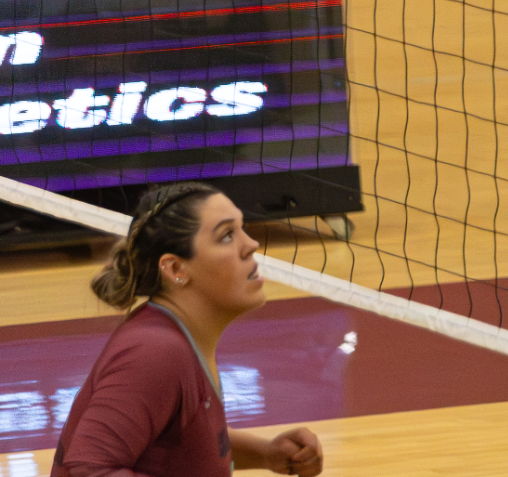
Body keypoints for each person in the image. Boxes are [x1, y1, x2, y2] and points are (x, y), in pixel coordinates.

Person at [54, 182, 324, 477]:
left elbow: (184, 443)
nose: (251, 245)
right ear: (176, 270)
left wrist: (266, 453)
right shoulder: (155, 354)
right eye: (227, 236)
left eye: (242, 228)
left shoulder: (181, 336)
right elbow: (89, 468)